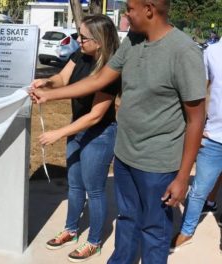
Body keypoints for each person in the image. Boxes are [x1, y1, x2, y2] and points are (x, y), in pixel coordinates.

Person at [30, 0, 206, 263]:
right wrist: (50, 94)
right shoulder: (133, 40)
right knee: (127, 220)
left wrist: (182, 177)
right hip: (124, 156)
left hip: (157, 164)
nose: (125, 15)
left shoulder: (184, 52)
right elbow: (98, 80)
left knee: (154, 230)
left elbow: (196, 120)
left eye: (130, 9)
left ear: (149, 10)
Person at [32, 15, 120, 262]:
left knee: (94, 190)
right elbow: (61, 79)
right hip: (77, 130)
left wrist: (58, 133)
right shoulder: (80, 55)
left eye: (84, 37)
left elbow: (95, 115)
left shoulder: (110, 69)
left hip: (100, 134)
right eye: (78, 35)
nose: (78, 40)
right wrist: (46, 82)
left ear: (100, 41)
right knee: (74, 184)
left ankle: (94, 242)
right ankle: (71, 230)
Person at [170, 37, 222, 252]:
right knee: (199, 189)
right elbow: (198, 92)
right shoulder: (212, 52)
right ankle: (187, 230)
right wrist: (197, 128)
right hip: (214, 137)